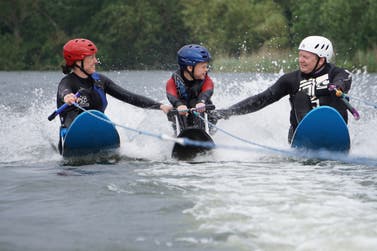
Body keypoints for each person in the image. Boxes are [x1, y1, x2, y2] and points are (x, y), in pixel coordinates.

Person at [215, 36, 352, 143]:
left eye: (306, 57)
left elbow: (344, 79)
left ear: (321, 60)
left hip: (332, 132)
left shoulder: (337, 73)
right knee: (301, 95)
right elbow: (261, 99)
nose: (301, 60)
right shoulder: (290, 79)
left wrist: (338, 86)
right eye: (300, 55)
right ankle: (309, 134)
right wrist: (226, 112)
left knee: (331, 100)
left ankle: (325, 133)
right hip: (300, 136)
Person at [56, 38, 172, 153]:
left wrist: (160, 106)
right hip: (71, 140)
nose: (96, 61)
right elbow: (64, 91)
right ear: (77, 61)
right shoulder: (67, 82)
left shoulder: (100, 81)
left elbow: (129, 96)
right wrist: (67, 96)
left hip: (99, 136)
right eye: (91, 57)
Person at [166, 44, 217, 135]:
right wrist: (179, 105)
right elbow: (171, 94)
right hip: (182, 113)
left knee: (196, 104)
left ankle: (203, 134)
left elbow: (208, 88)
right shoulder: (173, 81)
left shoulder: (206, 79)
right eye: (203, 67)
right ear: (190, 67)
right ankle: (182, 135)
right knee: (180, 109)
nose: (206, 69)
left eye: (207, 66)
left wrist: (201, 101)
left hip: (202, 112)